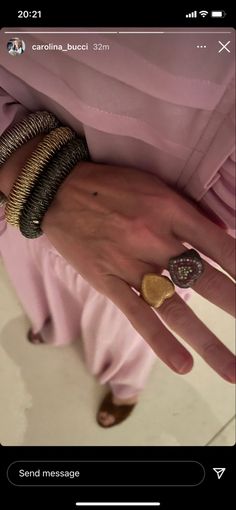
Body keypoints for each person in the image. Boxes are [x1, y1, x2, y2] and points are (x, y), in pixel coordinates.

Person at [0, 29, 235, 429]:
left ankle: (122, 381)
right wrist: (37, 173)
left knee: (135, 321)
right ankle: (55, 322)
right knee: (42, 270)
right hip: (30, 139)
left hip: (165, 246)